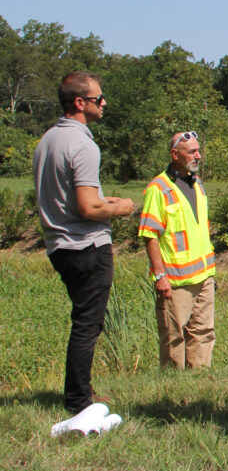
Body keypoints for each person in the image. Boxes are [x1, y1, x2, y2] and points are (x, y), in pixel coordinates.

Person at [32, 71, 135, 414]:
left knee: (84, 321)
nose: (104, 103)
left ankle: (82, 391)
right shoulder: (82, 144)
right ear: (80, 103)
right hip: (85, 245)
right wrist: (120, 207)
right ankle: (78, 401)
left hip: (58, 245)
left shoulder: (47, 140)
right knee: (88, 325)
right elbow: (89, 206)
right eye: (98, 99)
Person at [138, 131, 216, 369]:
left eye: (198, 150)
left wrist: (211, 273)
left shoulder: (197, 182)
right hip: (175, 280)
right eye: (192, 152)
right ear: (175, 155)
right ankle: (174, 386)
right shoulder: (158, 188)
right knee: (174, 336)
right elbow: (149, 234)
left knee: (203, 332)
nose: (198, 156)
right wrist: (160, 275)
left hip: (204, 275)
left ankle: (200, 380)